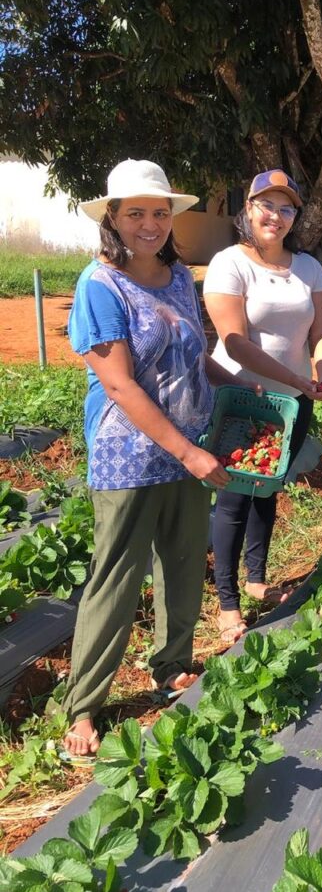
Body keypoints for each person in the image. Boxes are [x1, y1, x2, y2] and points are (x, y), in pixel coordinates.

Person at [62, 159, 236, 761]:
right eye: (135, 212)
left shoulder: (179, 277)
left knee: (185, 565)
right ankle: (84, 705)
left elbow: (195, 356)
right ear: (112, 217)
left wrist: (246, 389)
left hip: (190, 448)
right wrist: (189, 452)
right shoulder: (99, 285)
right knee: (117, 578)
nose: (151, 223)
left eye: (160, 212)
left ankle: (171, 666)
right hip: (129, 457)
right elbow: (119, 385)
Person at [203, 169, 322, 644]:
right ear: (248, 209)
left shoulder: (308, 267)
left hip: (293, 402)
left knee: (268, 488)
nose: (277, 216)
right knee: (234, 497)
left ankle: (257, 580)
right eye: (267, 205)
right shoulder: (230, 263)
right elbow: (235, 342)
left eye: (287, 208)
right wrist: (298, 382)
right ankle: (227, 602)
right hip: (244, 397)